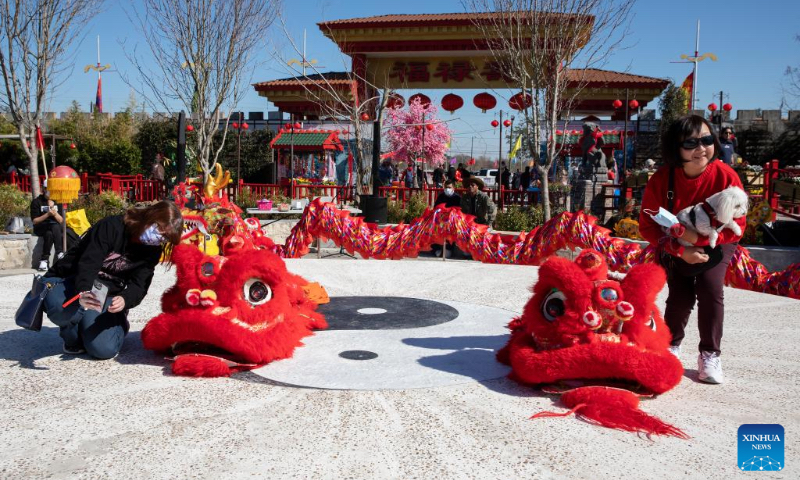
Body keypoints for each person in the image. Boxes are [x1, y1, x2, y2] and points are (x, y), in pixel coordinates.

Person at [639, 114, 745, 384]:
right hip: (676, 246)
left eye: (707, 140)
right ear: (676, 148)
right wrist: (680, 250)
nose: (701, 148)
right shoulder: (662, 179)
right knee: (680, 296)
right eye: (691, 143)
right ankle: (670, 346)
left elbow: (739, 222)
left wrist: (698, 242)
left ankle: (710, 353)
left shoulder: (726, 176)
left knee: (710, 288)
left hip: (718, 242)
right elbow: (647, 227)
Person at [40, 201, 183, 359]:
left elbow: (140, 285)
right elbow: (88, 262)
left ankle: (117, 323)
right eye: (160, 232)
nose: (159, 240)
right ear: (150, 217)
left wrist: (125, 299)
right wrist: (84, 291)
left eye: (165, 238)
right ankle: (72, 336)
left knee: (103, 350)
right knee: (60, 309)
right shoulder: (112, 226)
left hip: (107, 293)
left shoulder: (152, 250)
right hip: (74, 280)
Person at [30, 179, 65, 271]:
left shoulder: (57, 201)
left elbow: (61, 220)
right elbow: (35, 221)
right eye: (47, 189)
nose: (50, 191)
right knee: (52, 227)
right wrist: (47, 214)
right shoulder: (37, 202)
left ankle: (44, 260)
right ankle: (59, 252)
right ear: (43, 189)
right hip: (41, 226)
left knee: (50, 232)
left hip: (54, 228)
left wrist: (53, 210)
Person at [431, 179, 462, 257]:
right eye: (446, 187)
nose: (447, 189)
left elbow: (460, 210)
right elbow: (436, 207)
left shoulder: (457, 197)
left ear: (453, 188)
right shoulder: (441, 196)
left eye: (449, 187)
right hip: (441, 220)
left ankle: (448, 249)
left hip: (453, 221)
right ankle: (438, 249)